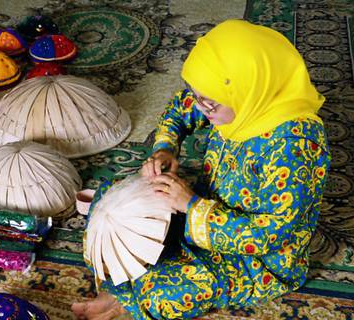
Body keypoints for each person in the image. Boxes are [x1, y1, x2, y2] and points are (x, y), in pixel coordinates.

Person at [72, 19, 330, 320]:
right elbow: (181, 110)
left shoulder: (295, 147)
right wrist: (164, 149)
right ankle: (129, 283)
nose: (200, 106)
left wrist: (192, 206)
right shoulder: (233, 97)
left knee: (164, 295)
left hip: (258, 260)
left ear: (249, 90)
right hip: (203, 203)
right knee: (111, 199)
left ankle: (127, 294)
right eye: (198, 96)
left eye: (209, 104)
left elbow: (269, 235)